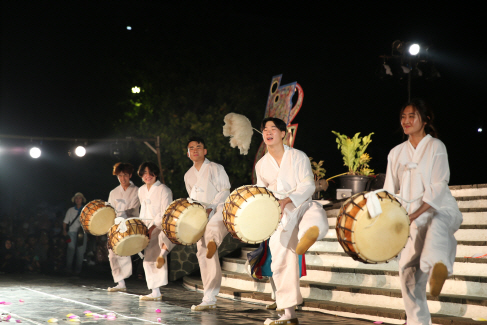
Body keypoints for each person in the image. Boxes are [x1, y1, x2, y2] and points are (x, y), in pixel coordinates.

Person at [383, 99, 462, 325]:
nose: (406, 121)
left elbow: (439, 185)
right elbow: (390, 190)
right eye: (403, 117)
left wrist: (414, 214)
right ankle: (418, 322)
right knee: (407, 270)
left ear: (425, 120)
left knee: (437, 231)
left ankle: (438, 267)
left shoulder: (436, 146)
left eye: (412, 116)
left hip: (439, 209)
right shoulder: (396, 152)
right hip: (410, 219)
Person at [255, 117, 329, 325]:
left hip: (300, 203)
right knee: (280, 258)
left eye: (273, 129)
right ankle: (289, 314)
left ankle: (310, 234)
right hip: (279, 214)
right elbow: (261, 192)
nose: (268, 133)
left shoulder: (298, 156)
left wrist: (287, 199)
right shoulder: (261, 165)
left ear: (283, 133)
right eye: (265, 130)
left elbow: (308, 186)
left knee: (315, 214)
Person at [184, 137, 231, 311]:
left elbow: (225, 190)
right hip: (199, 216)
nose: (195, 150)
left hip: (217, 209)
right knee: (202, 253)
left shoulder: (215, 168)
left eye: (198, 147)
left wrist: (211, 208)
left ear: (205, 151)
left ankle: (214, 240)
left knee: (212, 232)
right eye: (191, 148)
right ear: (188, 153)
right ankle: (208, 297)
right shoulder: (188, 175)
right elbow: (192, 197)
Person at [137, 161, 175, 301]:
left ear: (156, 174)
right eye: (145, 173)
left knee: (151, 258)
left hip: (159, 226)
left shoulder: (164, 190)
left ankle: (156, 291)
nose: (148, 176)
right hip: (145, 227)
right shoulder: (141, 190)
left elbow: (165, 212)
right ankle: (155, 291)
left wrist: (153, 227)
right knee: (147, 259)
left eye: (150, 173)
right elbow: (142, 210)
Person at [107, 162, 141, 292]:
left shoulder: (137, 191)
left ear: (130, 175)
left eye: (125, 175)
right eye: (120, 176)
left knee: (124, 251)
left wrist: (123, 213)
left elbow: (134, 208)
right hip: (116, 225)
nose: (122, 178)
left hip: (131, 225)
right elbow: (110, 209)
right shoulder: (114, 192)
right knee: (112, 253)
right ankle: (120, 282)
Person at [63, 192, 88, 275]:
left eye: (79, 198)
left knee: (80, 252)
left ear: (82, 200)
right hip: (72, 232)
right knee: (71, 248)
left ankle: (78, 270)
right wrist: (64, 230)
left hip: (82, 233)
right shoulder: (70, 210)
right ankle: (68, 268)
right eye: (76, 198)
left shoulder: (86, 210)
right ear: (74, 200)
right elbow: (65, 221)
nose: (78, 199)